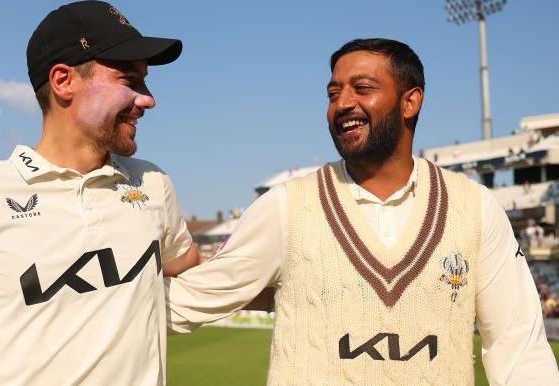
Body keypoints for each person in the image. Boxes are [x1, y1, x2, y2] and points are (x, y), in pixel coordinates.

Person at [166, 38, 559, 385]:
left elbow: (518, 347)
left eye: (362, 88)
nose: (343, 104)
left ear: (410, 101)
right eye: (333, 93)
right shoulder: (286, 206)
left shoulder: (475, 207)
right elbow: (185, 302)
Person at [0, 1, 198, 385]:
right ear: (63, 81)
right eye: (129, 80)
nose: (147, 99)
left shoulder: (152, 184)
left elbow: (189, 271)